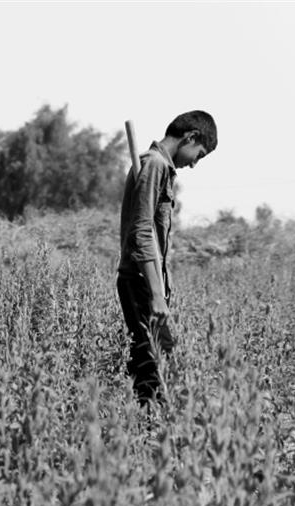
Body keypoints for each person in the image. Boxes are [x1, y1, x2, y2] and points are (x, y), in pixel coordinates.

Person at [117, 111, 217, 406]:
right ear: (190, 137)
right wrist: (157, 295)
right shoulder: (155, 164)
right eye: (199, 154)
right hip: (140, 282)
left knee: (147, 367)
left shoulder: (156, 166)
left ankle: (135, 425)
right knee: (158, 369)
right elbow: (142, 233)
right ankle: (149, 430)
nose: (194, 163)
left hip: (145, 283)